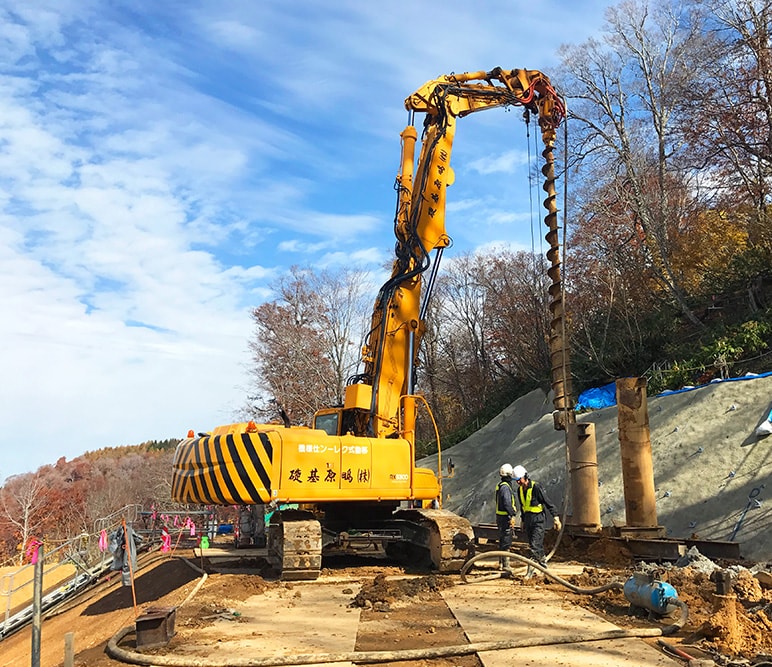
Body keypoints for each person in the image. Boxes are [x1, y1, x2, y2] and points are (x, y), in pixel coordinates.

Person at [512, 464, 561, 570]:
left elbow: (547, 502)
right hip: (529, 520)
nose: (518, 482)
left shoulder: (536, 487)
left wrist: (555, 517)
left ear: (525, 476)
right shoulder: (519, 490)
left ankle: (531, 571)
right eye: (516, 480)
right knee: (534, 546)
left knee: (535, 545)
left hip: (538, 520)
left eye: (519, 479)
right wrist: (523, 520)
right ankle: (543, 566)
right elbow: (523, 507)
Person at [494, 463, 518, 569]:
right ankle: (506, 565)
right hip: (505, 517)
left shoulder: (500, 486)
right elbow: (507, 503)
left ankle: (501, 564)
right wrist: (512, 514)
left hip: (500, 516)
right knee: (506, 541)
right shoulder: (505, 487)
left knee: (502, 539)